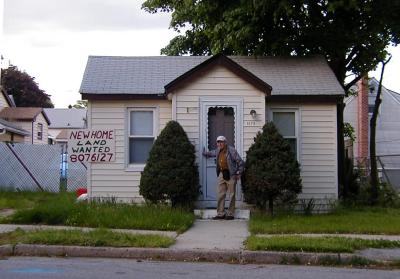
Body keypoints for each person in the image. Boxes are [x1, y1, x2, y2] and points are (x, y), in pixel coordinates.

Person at [203, 136, 244, 220]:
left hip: (231, 174)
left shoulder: (231, 150)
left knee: (231, 195)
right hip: (222, 174)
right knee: (220, 194)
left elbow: (240, 162)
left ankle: (230, 214)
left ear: (225, 142)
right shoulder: (218, 150)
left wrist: (239, 172)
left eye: (221, 142)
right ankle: (220, 213)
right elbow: (213, 153)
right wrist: (206, 153)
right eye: (218, 142)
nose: (219, 144)